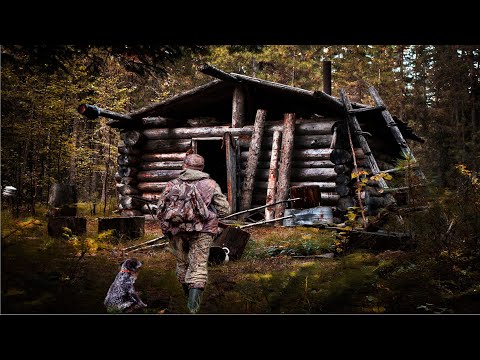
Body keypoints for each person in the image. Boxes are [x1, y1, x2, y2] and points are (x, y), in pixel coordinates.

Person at [156, 153, 230, 313]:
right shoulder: (210, 184)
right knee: (198, 266)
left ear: (185, 166)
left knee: (182, 264)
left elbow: (160, 209)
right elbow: (225, 210)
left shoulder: (171, 184)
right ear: (202, 168)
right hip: (203, 231)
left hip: (176, 231)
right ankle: (192, 308)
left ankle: (186, 299)